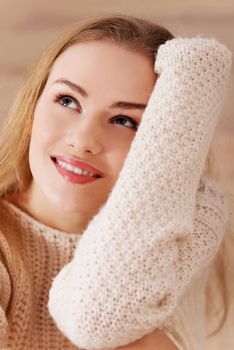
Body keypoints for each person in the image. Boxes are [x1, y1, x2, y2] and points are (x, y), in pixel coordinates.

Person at [0, 14, 233, 350]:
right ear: (33, 106)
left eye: (124, 120)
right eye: (67, 101)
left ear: (168, 143)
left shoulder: (187, 224)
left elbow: (100, 316)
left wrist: (194, 85)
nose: (83, 140)